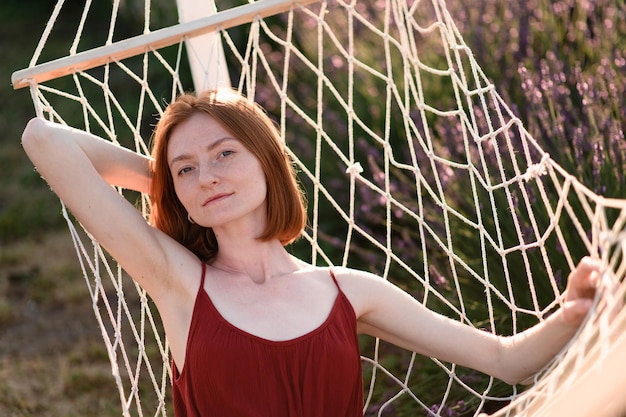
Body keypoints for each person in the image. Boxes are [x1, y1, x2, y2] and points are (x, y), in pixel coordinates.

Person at [21, 88, 603, 416]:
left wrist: (575, 310)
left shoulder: (350, 292)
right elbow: (43, 140)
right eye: (188, 167)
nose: (208, 175)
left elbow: (507, 360)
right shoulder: (178, 283)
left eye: (225, 155)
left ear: (268, 162)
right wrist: (172, 189)